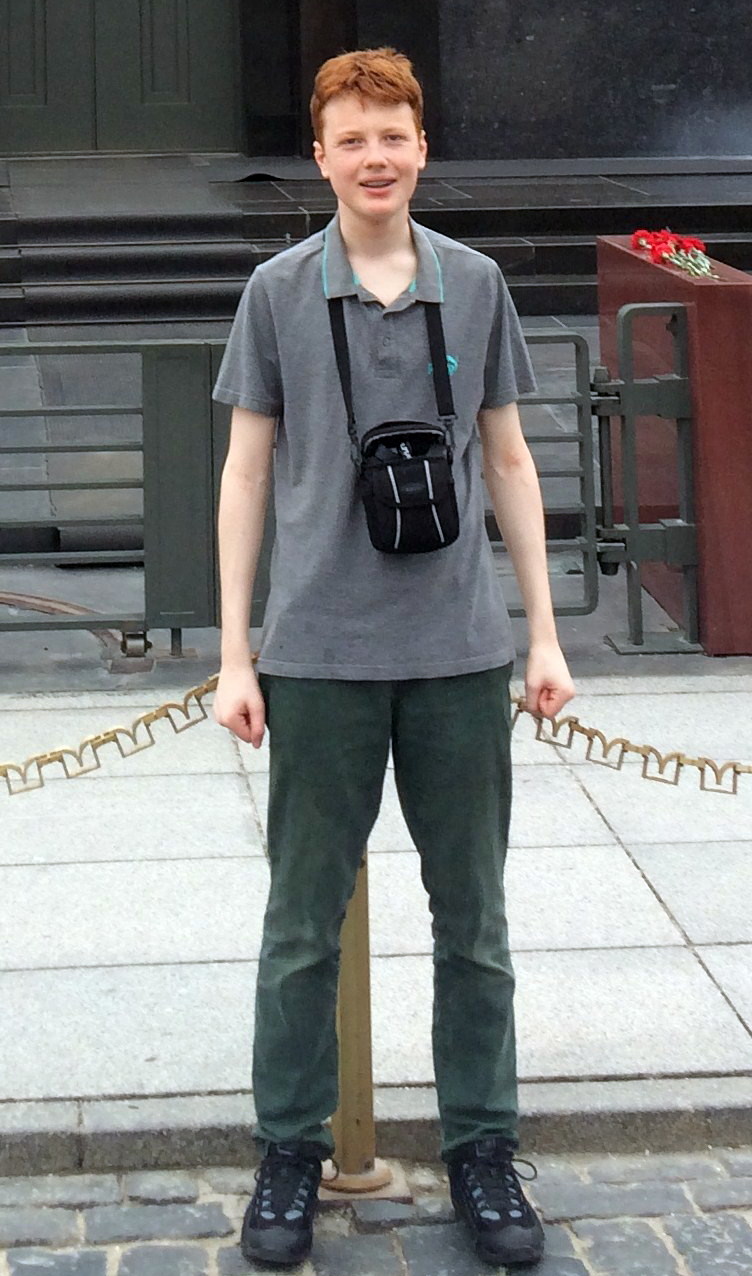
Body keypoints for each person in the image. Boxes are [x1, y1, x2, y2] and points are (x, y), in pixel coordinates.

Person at [212, 46, 575, 1270]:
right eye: (351, 139)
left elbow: (510, 458)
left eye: (392, 136)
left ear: (422, 148)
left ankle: (481, 1146)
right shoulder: (275, 291)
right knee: (299, 925)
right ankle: (288, 1150)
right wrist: (235, 653)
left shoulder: (472, 284)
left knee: (472, 920)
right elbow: (244, 472)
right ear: (318, 157)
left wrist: (541, 633)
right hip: (316, 652)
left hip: (456, 651)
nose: (374, 158)